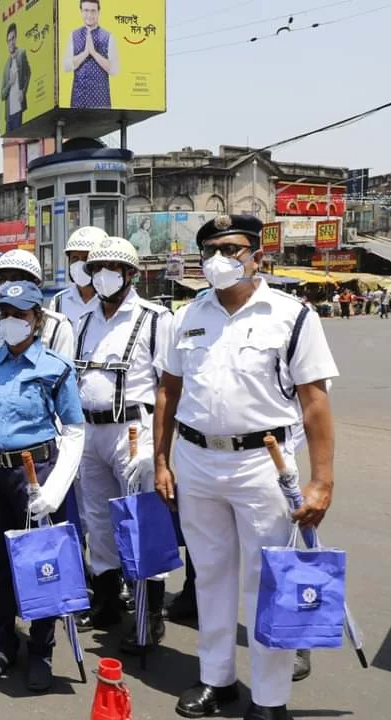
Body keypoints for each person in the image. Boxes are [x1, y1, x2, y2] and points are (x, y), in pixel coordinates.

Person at [155, 214, 338, 720]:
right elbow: (168, 391)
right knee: (210, 574)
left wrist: (321, 481)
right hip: (196, 459)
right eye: (210, 250)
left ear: (257, 254)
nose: (220, 259)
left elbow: (315, 401)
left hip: (263, 463)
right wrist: (162, 461)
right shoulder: (185, 316)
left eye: (232, 248)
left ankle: (270, 697)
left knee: (267, 579)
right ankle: (217, 678)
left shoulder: (292, 315)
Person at [0, 281, 85, 691]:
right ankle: (3, 643)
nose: (11, 322)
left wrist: (55, 489)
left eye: (20, 315)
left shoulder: (56, 368)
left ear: (37, 320)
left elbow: (75, 430)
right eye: (5, 314)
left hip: (34, 475)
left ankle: (41, 650)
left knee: (40, 566)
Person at [73, 236, 172, 650]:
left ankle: (150, 613)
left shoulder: (154, 318)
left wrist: (162, 449)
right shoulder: (84, 320)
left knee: (140, 518)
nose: (103, 276)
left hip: (134, 429)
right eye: (97, 269)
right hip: (90, 430)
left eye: (112, 269)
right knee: (97, 519)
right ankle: (108, 600)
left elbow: (170, 384)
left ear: (130, 274)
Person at [0, 248, 75, 357]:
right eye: (3, 279)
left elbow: (63, 371)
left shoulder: (56, 327)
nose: (8, 285)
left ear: (35, 283)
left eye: (15, 279)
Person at [63, 0, 119, 109]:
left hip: (101, 99)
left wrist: (94, 53)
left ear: (98, 12)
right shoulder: (73, 35)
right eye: (86, 10)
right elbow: (66, 66)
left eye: (93, 11)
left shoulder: (108, 36)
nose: (89, 15)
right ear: (81, 11)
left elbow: (115, 70)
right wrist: (85, 53)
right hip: (79, 98)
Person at [50, 226, 109, 326]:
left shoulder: (111, 301)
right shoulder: (59, 302)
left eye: (86, 258)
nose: (79, 264)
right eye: (75, 258)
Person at [1, 22, 31, 132]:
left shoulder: (22, 53)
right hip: (9, 115)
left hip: (19, 109)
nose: (11, 43)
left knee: (20, 138)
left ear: (16, 38)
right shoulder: (5, 67)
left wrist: (23, 91)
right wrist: (10, 83)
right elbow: (2, 95)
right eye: (9, 40)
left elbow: (29, 72)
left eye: (13, 38)